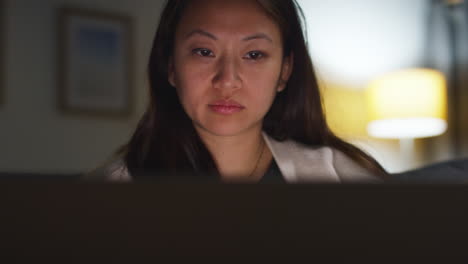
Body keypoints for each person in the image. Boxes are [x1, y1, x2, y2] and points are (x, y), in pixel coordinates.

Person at [89, 0, 388, 183]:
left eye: (254, 55)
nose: (227, 80)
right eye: (204, 51)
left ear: (284, 71)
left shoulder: (340, 176)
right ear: (171, 67)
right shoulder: (111, 193)